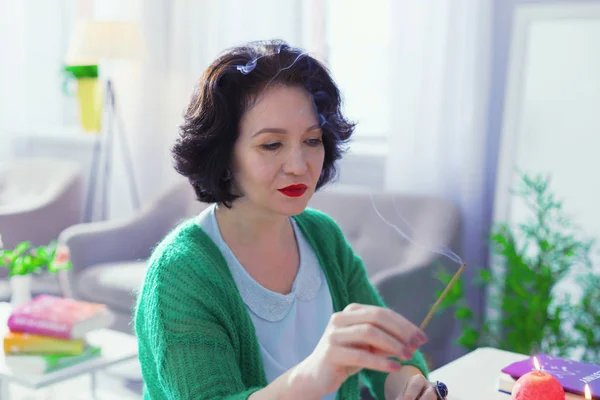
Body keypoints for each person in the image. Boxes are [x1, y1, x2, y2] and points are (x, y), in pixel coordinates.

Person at [135, 40, 447, 400]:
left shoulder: (322, 236)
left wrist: (410, 387)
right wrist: (316, 374)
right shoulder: (181, 272)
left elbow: (385, 355)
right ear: (223, 154)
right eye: (272, 145)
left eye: (312, 140)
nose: (299, 165)